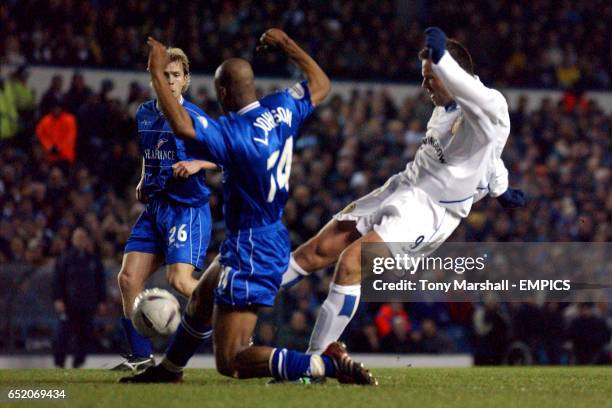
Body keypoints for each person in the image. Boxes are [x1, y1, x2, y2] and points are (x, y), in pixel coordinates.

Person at [121, 29, 376, 385]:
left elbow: (180, 123)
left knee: (232, 361)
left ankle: (327, 364)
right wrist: (288, 46)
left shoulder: (232, 133)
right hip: (263, 234)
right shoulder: (282, 108)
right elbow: (320, 83)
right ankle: (169, 370)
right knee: (200, 300)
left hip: (251, 247)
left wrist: (156, 71)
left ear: (223, 92)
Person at [279, 26, 526, 355]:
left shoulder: (492, 106)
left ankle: (313, 365)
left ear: (451, 73)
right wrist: (501, 188)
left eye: (430, 77)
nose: (425, 85)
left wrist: (442, 61)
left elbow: (482, 116)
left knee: (351, 262)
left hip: (430, 212)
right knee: (316, 251)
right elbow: (488, 157)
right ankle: (238, 297)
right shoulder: (444, 109)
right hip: (401, 187)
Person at [113, 47, 217, 372]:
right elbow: (149, 149)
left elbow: (227, 153)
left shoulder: (194, 118)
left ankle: (237, 332)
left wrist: (197, 162)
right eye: (165, 75)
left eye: (176, 76)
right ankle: (142, 359)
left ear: (185, 81)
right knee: (128, 279)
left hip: (185, 209)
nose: (170, 81)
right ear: (154, 79)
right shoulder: (144, 112)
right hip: (156, 208)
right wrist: (145, 176)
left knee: (181, 282)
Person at [53, 228, 106, 368]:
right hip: (69, 304)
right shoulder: (65, 258)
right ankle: (59, 363)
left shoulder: (94, 260)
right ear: (73, 239)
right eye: (78, 237)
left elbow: (100, 282)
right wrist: (58, 299)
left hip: (87, 304)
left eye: (83, 237)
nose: (81, 240)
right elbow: (58, 280)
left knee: (85, 335)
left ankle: (78, 363)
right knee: (63, 335)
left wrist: (101, 301)